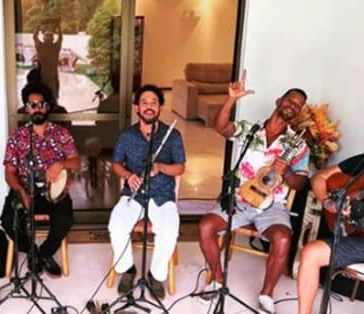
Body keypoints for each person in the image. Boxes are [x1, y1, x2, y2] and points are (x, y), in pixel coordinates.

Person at [198, 70, 310, 314]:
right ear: (278, 101)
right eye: (290, 100)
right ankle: (218, 281)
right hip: (239, 199)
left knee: (282, 238)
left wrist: (288, 172)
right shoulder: (250, 130)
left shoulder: (298, 145)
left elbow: (300, 184)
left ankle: (266, 296)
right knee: (206, 226)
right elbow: (220, 127)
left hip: (272, 206)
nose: (293, 106)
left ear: (298, 113)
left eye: (298, 106)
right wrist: (231, 99)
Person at [108, 84, 186, 299]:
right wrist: (128, 175)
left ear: (160, 107)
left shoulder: (173, 135)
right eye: (144, 103)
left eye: (154, 103)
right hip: (134, 195)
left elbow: (180, 167)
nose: (149, 107)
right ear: (137, 108)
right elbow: (116, 164)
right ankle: (128, 269)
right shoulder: (127, 136)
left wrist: (161, 167)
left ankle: (156, 274)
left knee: (169, 230)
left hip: (162, 195)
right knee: (117, 225)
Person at [0, 82, 80, 276]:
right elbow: (9, 171)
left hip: (53, 192)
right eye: (32, 104)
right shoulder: (17, 137)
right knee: (8, 220)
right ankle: (31, 251)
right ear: (26, 108)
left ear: (48, 106)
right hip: (26, 189)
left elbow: (76, 162)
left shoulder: (61, 134)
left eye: (41, 103)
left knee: (65, 219)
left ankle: (44, 252)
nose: (37, 108)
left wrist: (61, 164)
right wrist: (20, 191)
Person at [297, 153, 364, 314]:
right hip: (359, 241)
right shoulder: (361, 161)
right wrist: (328, 201)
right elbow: (319, 178)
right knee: (310, 253)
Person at [33, 18, 62, 100]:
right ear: (44, 38)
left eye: (51, 35)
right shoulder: (40, 46)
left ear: (53, 38)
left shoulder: (55, 47)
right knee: (43, 95)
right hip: (42, 74)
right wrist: (39, 26)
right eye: (47, 35)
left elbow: (60, 38)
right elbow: (35, 37)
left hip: (52, 75)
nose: (49, 37)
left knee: (53, 95)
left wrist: (59, 27)